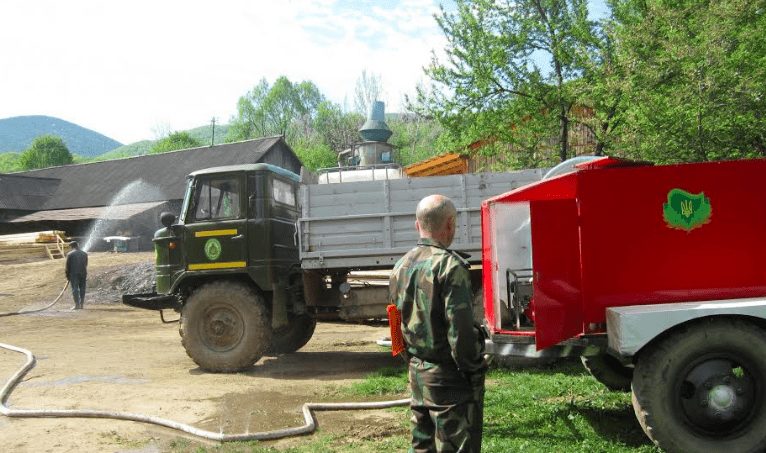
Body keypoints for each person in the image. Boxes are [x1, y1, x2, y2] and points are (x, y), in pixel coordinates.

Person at [389, 194, 488, 453]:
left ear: (417, 225)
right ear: (450, 224)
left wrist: (411, 362)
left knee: (422, 447)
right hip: (449, 379)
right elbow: (461, 331)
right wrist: (473, 369)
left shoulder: (400, 267)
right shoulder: (450, 266)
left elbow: (394, 323)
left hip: (417, 374)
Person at [65, 241, 88, 310]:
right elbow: (86, 264)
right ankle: (81, 305)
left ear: (72, 247)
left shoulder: (70, 254)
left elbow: (67, 267)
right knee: (82, 288)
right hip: (83, 273)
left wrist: (67, 276)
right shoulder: (84, 253)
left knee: (75, 289)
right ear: (78, 245)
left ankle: (76, 305)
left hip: (74, 274)